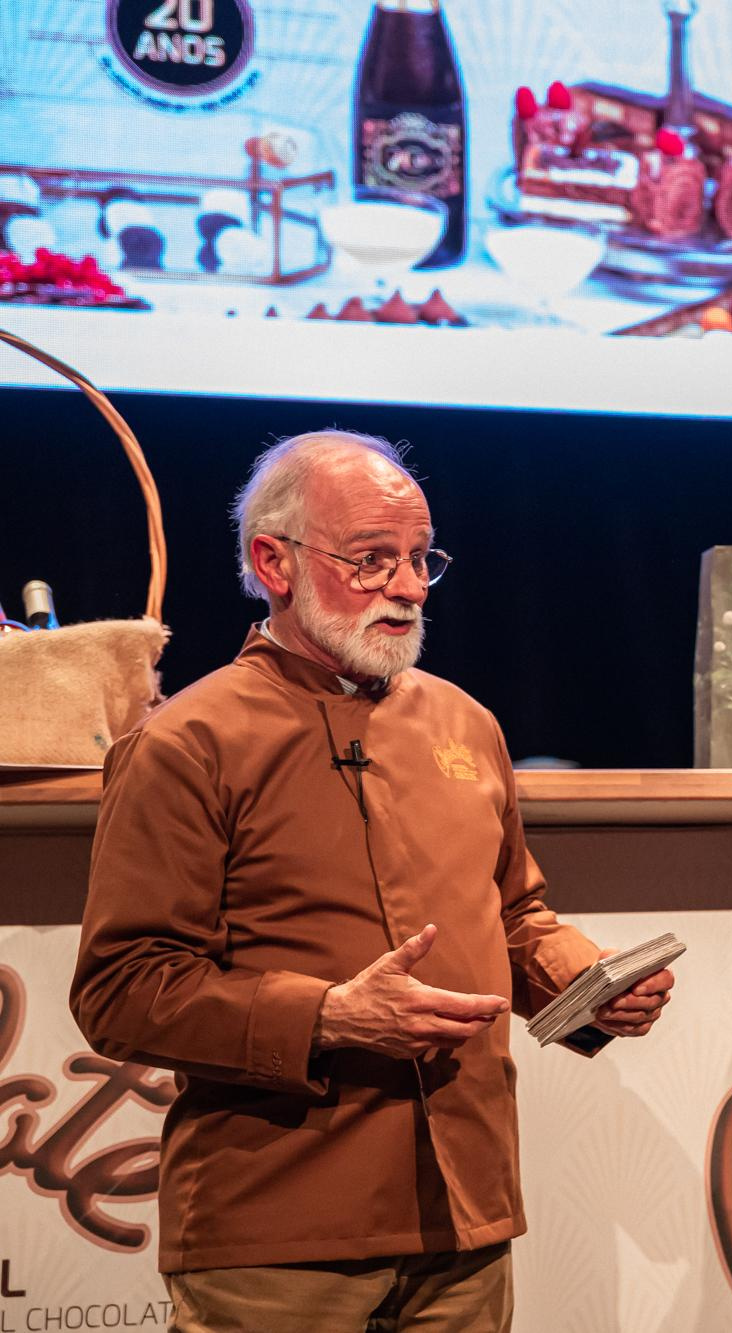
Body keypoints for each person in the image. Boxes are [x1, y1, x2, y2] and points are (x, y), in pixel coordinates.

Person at [70, 430, 674, 1333]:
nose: (407, 586)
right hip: (276, 1228)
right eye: (371, 560)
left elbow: (515, 912)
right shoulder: (188, 743)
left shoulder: (465, 723)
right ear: (272, 561)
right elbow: (122, 987)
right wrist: (325, 1016)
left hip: (464, 1218)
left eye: (420, 558)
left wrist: (588, 982)